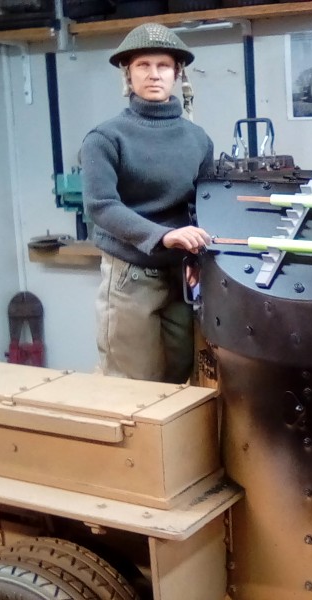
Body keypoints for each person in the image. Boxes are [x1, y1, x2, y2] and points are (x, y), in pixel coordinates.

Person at [80, 23, 215, 384]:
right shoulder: (106, 138)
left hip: (182, 277)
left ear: (177, 73)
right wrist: (162, 236)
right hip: (129, 275)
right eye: (143, 65)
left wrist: (199, 258)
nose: (153, 75)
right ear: (128, 73)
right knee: (132, 385)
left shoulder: (198, 140)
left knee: (179, 379)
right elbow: (101, 205)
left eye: (163, 66)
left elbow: (205, 204)